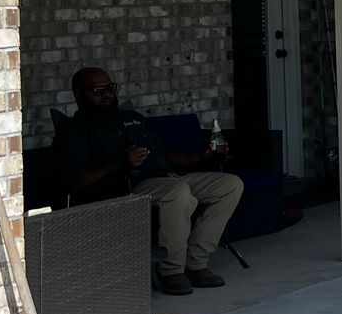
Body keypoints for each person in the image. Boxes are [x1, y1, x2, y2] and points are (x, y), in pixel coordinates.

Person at [54, 67, 244, 296]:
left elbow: (167, 155)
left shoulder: (132, 119)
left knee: (230, 185)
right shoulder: (74, 131)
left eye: (110, 88)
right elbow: (74, 181)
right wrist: (120, 162)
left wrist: (203, 155)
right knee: (178, 191)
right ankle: (171, 270)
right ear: (78, 94)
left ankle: (196, 263)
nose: (106, 95)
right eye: (97, 90)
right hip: (125, 186)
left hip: (169, 177)